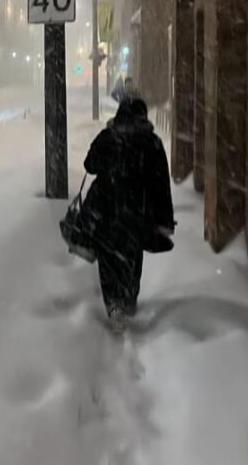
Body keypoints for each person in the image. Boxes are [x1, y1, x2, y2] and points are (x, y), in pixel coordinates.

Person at [84, 97, 175, 330]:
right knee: (132, 258)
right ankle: (129, 300)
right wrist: (164, 219)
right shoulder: (152, 143)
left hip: (106, 210)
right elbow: (161, 184)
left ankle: (114, 305)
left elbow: (90, 165)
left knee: (107, 259)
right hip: (138, 212)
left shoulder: (108, 137)